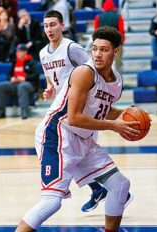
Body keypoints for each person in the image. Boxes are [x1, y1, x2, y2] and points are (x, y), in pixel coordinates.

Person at [0, 26, 139, 232]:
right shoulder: (83, 73)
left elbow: (102, 108)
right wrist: (115, 126)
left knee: (120, 185)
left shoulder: (117, 81)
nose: (98, 54)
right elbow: (75, 116)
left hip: (85, 139)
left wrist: (125, 115)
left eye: (104, 50)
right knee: (51, 202)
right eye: (95, 49)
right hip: (58, 135)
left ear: (116, 51)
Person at [40, 10, 112, 213]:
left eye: (53, 24)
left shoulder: (72, 48)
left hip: (81, 108)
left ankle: (106, 187)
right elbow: (50, 75)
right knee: (75, 155)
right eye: (46, 25)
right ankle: (101, 188)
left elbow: (94, 70)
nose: (49, 29)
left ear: (62, 25)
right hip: (62, 109)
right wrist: (50, 87)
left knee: (77, 154)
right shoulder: (43, 53)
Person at [0, 44, 40, 119]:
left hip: (30, 84)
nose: (17, 53)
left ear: (25, 52)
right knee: (1, 86)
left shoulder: (32, 62)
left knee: (22, 86)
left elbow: (36, 75)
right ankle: (1, 112)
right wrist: (11, 78)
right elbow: (8, 75)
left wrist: (25, 78)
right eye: (17, 51)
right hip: (16, 84)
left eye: (19, 51)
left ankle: (24, 112)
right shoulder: (15, 62)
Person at [94, 0, 125, 72]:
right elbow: (121, 32)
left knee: (102, 65)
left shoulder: (98, 17)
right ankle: (119, 81)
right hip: (116, 45)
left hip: (102, 46)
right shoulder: (118, 17)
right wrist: (121, 43)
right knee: (118, 64)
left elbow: (96, 33)